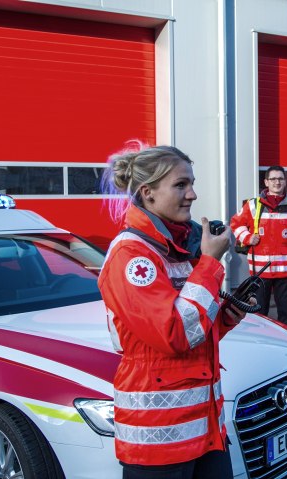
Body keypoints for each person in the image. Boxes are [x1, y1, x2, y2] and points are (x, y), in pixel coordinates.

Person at [98, 141, 247, 479]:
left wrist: (225, 316)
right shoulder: (132, 255)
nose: (193, 194)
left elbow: (195, 330)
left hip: (205, 433)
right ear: (148, 193)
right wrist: (210, 263)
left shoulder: (177, 248)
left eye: (192, 184)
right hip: (159, 444)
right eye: (181, 185)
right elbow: (176, 334)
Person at [230, 165, 287, 326]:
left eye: (280, 178)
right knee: (259, 314)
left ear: (285, 181)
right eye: (273, 179)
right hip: (260, 272)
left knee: (286, 316)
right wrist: (247, 237)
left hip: (285, 274)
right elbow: (235, 223)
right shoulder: (253, 205)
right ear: (266, 182)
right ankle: (262, 343)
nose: (277, 182)